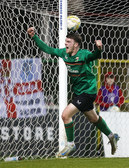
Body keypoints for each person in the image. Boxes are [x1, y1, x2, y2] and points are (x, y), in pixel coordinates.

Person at [27, 27, 120, 157]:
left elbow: (95, 56)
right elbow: (48, 49)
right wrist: (34, 36)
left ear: (76, 44)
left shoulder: (84, 54)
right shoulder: (64, 53)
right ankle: (112, 136)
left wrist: (99, 49)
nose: (65, 44)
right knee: (93, 118)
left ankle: (70, 144)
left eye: (68, 42)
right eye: (65, 41)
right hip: (78, 92)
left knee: (65, 115)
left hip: (88, 91)